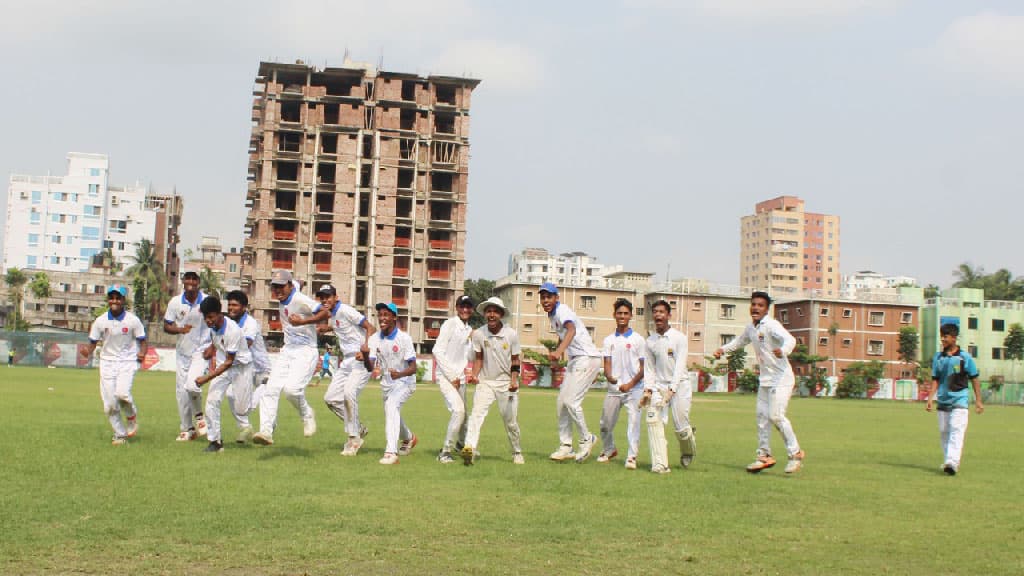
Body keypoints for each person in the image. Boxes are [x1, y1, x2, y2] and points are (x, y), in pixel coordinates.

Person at [715, 291, 803, 474]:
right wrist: (722, 350)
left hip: (782, 378)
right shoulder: (751, 328)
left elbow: (790, 339)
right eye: (753, 304)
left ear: (766, 309)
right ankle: (764, 455)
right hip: (765, 380)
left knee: (776, 416)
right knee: (762, 418)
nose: (755, 308)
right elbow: (739, 342)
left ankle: (795, 454)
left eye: (760, 305)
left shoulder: (771, 325)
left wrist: (784, 350)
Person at [253, 270, 320, 446]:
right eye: (274, 287)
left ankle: (307, 414)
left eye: (281, 286)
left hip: (306, 350)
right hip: (288, 349)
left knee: (291, 391)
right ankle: (266, 431)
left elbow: (325, 313)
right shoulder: (289, 291)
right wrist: (301, 281)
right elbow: (299, 282)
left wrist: (303, 322)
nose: (278, 291)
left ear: (289, 286)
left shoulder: (300, 299)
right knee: (270, 389)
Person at [539, 282, 602, 463]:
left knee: (571, 401)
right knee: (561, 403)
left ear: (556, 298)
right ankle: (566, 446)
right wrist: (559, 355)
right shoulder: (552, 315)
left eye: (549, 297)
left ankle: (586, 439)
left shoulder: (562, 310)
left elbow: (571, 329)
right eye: (543, 297)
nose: (545, 300)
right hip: (577, 359)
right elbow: (564, 335)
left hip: (587, 357)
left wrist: (558, 352)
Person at [80, 285, 147, 445]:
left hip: (127, 361)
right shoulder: (101, 321)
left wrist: (142, 353)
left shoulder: (132, 320)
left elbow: (142, 341)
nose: (114, 301)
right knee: (110, 404)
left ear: (123, 300)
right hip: (107, 362)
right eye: (112, 297)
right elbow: (92, 343)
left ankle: (131, 416)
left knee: (123, 394)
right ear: (108, 300)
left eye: (118, 298)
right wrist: (87, 351)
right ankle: (120, 434)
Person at [460, 297, 523, 466]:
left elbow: (516, 360)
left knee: (510, 421)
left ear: (501, 314)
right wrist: (474, 375)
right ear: (485, 314)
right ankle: (470, 449)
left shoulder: (511, 334)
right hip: (486, 382)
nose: (491, 315)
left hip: (506, 383)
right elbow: (479, 359)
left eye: (495, 311)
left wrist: (514, 380)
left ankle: (517, 451)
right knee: (476, 416)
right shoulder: (480, 334)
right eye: (489, 311)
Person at [315, 284, 375, 456]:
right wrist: (326, 328)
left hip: (360, 359)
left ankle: (354, 439)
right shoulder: (332, 315)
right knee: (331, 399)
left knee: (349, 393)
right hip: (347, 361)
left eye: (328, 296)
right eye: (322, 297)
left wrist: (365, 349)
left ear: (335, 297)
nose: (325, 300)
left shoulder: (346, 310)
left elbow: (370, 327)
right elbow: (340, 326)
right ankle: (358, 428)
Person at [195, 296, 253, 453]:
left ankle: (263, 392)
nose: (208, 321)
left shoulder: (232, 330)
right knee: (211, 403)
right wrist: (210, 350)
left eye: (211, 317)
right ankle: (215, 442)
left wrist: (206, 377)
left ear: (220, 314)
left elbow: (229, 361)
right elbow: (219, 348)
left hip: (241, 368)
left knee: (242, 410)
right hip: (224, 369)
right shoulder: (213, 329)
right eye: (205, 317)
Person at [363, 302, 418, 465]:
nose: (382, 318)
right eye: (380, 315)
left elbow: (413, 368)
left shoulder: (404, 338)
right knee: (391, 412)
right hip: (387, 384)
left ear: (394, 317)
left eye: (386, 315)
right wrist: (366, 356)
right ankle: (409, 438)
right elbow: (370, 367)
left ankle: (391, 453)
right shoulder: (374, 339)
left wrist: (399, 374)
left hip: (405, 382)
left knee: (392, 406)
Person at [644, 299, 696, 472]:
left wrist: (672, 390)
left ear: (668, 315)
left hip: (680, 385)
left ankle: (687, 450)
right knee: (653, 420)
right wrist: (648, 390)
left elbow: (680, 366)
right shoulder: (650, 341)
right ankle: (660, 464)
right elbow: (649, 368)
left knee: (681, 427)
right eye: (655, 312)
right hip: (659, 386)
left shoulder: (679, 338)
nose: (658, 315)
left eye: (661, 312)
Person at [925, 322, 984, 475]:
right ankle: (948, 463)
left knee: (956, 430)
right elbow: (936, 378)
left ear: (954, 338)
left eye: (945, 337)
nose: (942, 340)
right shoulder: (938, 357)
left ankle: (952, 462)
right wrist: (930, 398)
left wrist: (978, 400)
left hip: (960, 400)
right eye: (942, 337)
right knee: (944, 431)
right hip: (943, 400)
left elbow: (974, 379)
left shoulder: (965, 357)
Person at [163, 270, 211, 442]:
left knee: (192, 386)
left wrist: (213, 347)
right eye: (188, 278)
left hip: (201, 351)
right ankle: (187, 429)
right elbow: (166, 326)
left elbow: (217, 324)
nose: (191, 281)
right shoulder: (175, 302)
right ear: (183, 280)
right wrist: (179, 330)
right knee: (182, 393)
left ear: (199, 281)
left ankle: (199, 416)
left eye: (194, 278)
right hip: (183, 352)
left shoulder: (207, 301)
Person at [597, 298, 646, 470]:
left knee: (633, 423)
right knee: (605, 424)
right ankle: (609, 449)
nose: (622, 316)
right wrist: (609, 376)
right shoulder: (608, 340)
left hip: (634, 389)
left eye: (626, 313)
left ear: (631, 315)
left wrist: (630, 384)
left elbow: (643, 368)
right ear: (614, 315)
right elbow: (607, 362)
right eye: (619, 313)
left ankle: (632, 457)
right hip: (614, 389)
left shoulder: (639, 340)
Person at [432, 295, 475, 464]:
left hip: (461, 379)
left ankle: (461, 445)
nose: (465, 309)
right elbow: (437, 351)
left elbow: (468, 356)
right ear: (457, 307)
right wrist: (452, 376)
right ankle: (445, 452)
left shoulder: (468, 329)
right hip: (446, 377)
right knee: (458, 411)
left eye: (468, 306)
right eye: (462, 306)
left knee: (465, 416)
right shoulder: (450, 324)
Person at [225, 290, 269, 443]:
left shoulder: (250, 323)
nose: (231, 308)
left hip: (260, 368)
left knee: (265, 398)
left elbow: (247, 344)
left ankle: (267, 432)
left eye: (235, 305)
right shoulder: (229, 323)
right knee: (231, 394)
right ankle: (245, 427)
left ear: (244, 307)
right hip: (243, 367)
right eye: (229, 304)